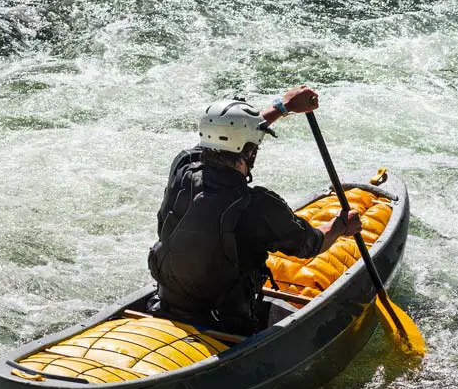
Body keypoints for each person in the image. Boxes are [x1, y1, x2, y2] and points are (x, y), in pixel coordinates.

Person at [147, 85, 362, 335]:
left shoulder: (184, 165)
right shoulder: (258, 205)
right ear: (249, 152)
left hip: (167, 303)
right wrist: (341, 226)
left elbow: (225, 134)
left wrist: (285, 107)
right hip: (225, 324)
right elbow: (312, 244)